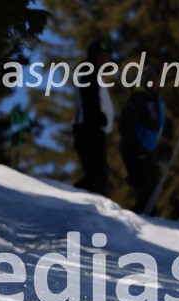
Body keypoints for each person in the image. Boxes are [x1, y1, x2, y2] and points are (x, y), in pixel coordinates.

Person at [119, 65, 165, 214]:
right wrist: (137, 149)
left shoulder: (156, 101)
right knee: (144, 187)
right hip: (136, 150)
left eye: (157, 80)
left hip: (149, 151)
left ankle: (150, 217)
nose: (154, 83)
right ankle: (142, 219)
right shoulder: (138, 98)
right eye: (150, 80)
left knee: (153, 186)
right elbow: (125, 124)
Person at [73, 38, 114, 195]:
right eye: (101, 56)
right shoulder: (87, 70)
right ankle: (74, 200)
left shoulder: (96, 74)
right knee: (96, 175)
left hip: (94, 128)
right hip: (87, 128)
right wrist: (97, 116)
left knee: (97, 175)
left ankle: (81, 200)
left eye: (107, 56)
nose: (104, 60)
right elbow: (88, 97)